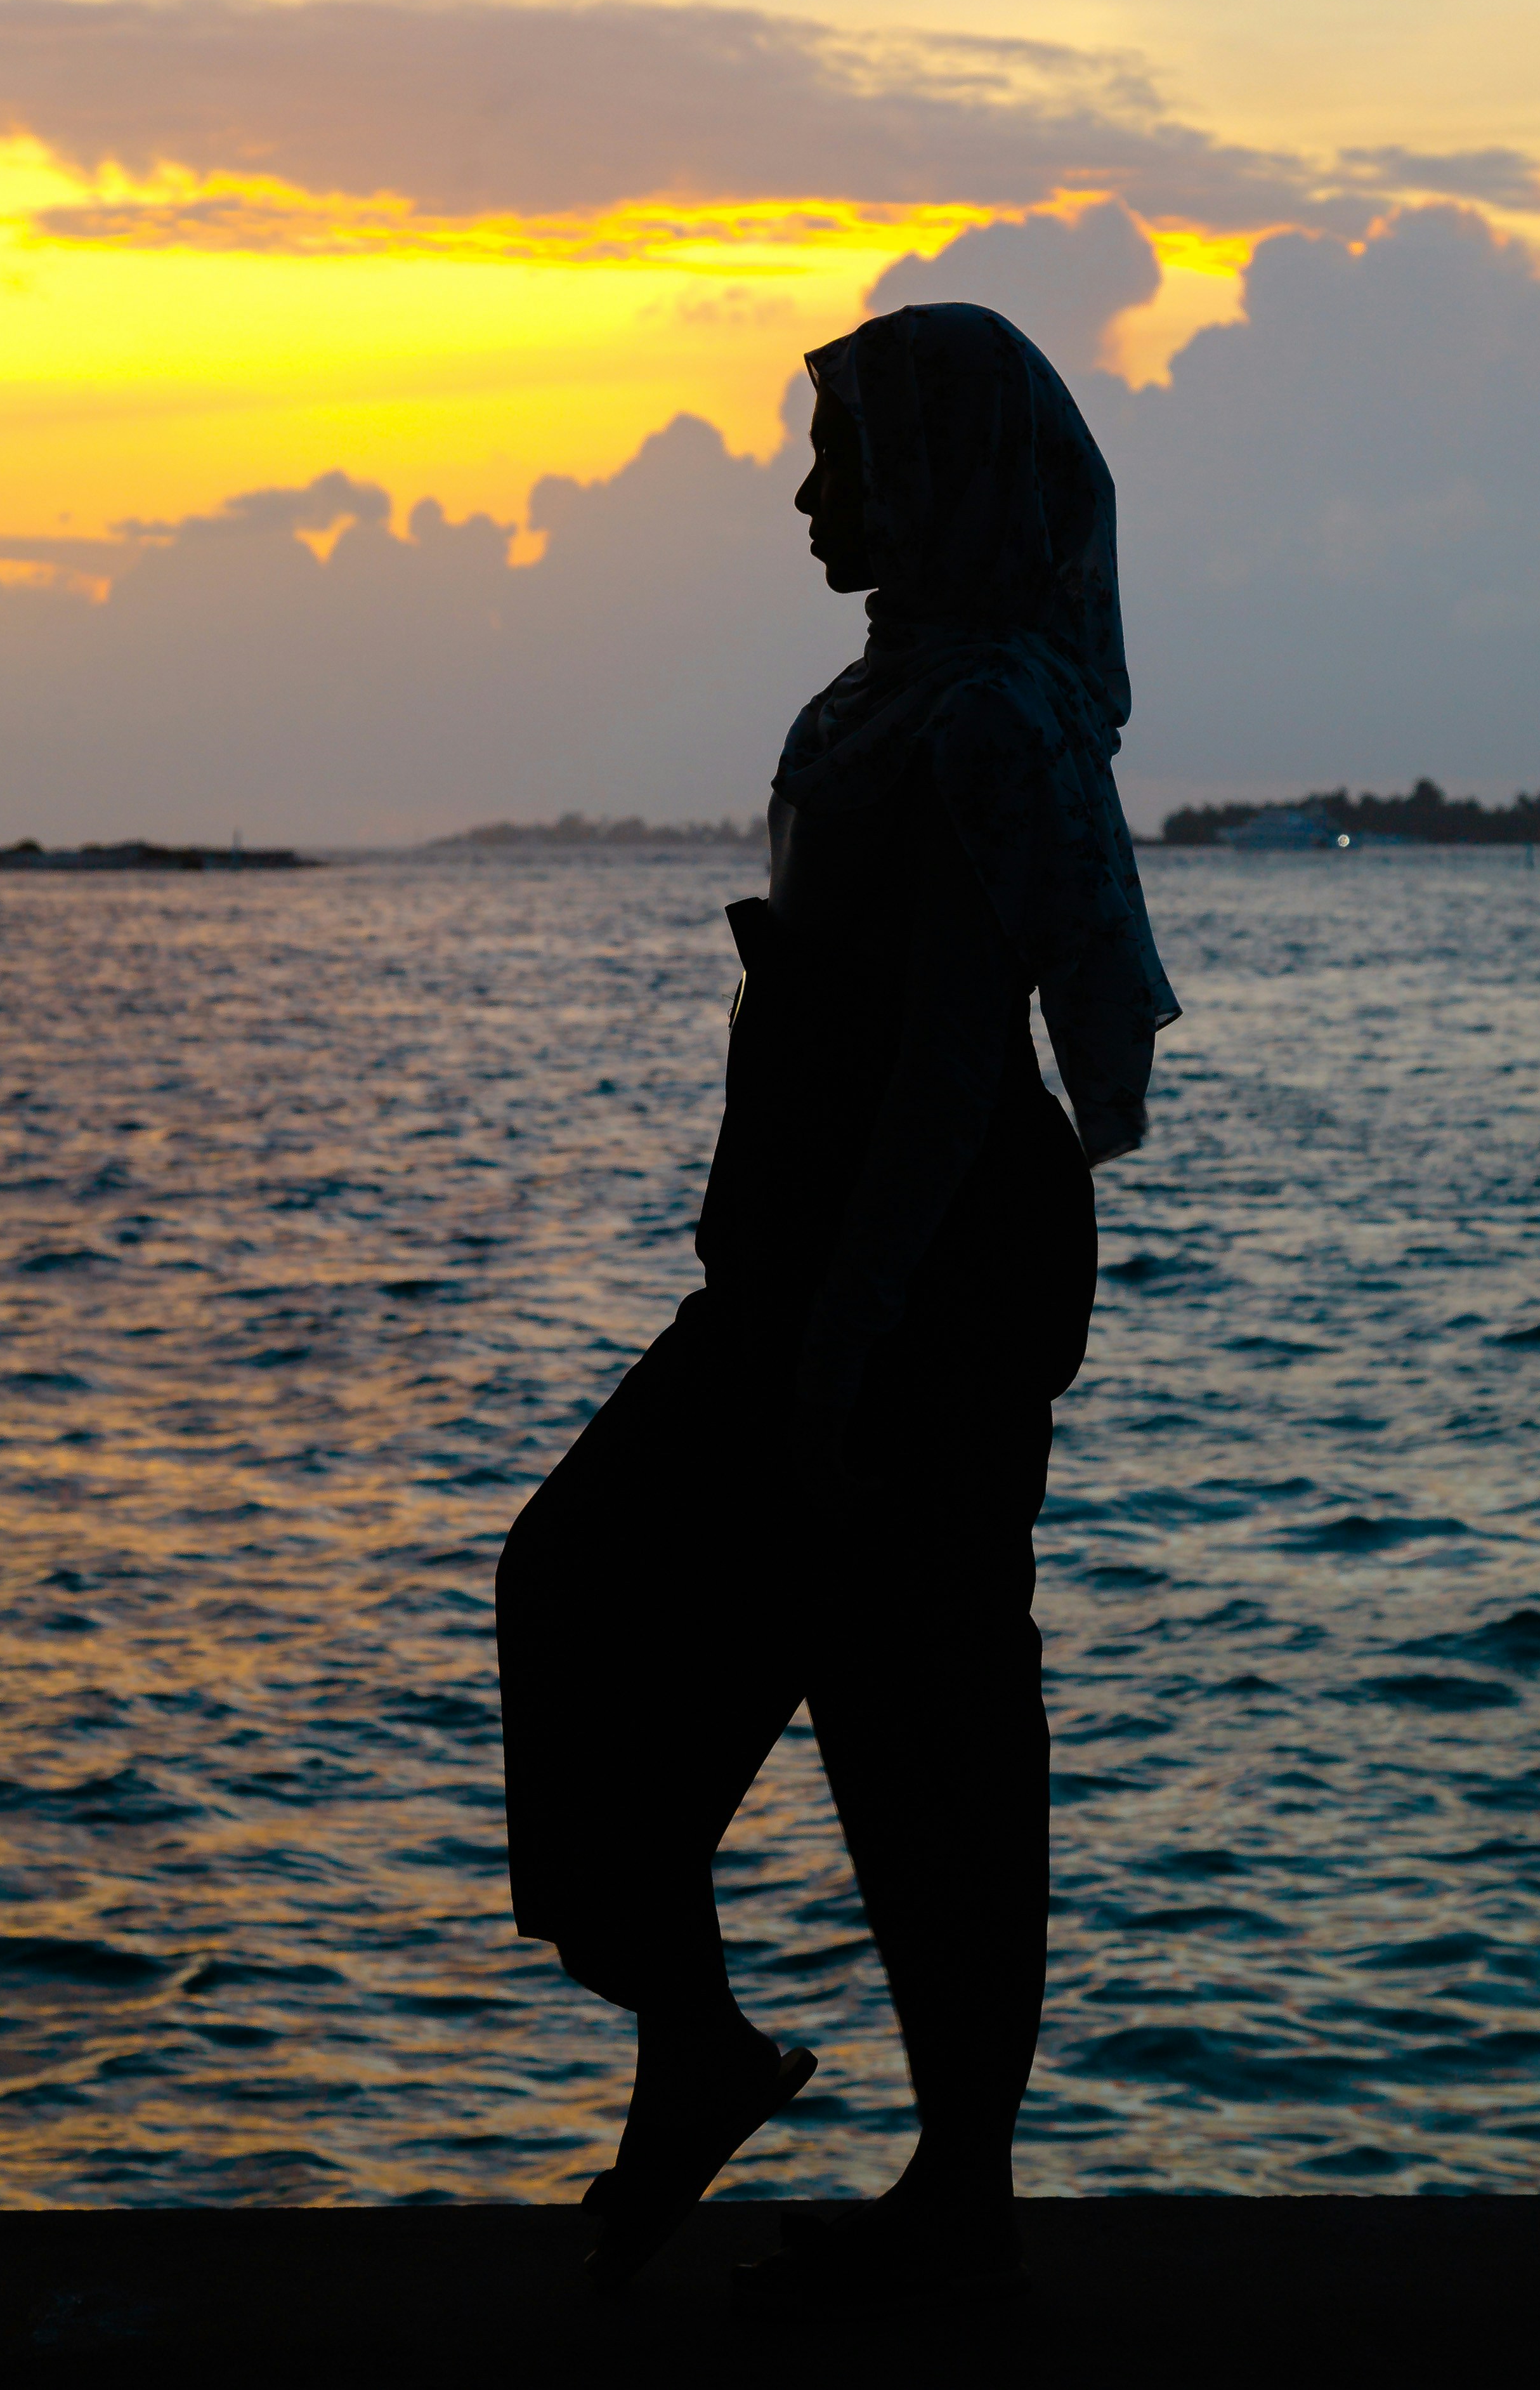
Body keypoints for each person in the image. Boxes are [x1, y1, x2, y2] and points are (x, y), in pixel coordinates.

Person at [495, 301, 1178, 2319]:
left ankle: (957, 2184)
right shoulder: (887, 698)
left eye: (843, 460)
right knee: (586, 1592)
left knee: (921, 1716)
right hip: (818, 1261)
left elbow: (957, 1054)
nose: (808, 495)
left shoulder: (986, 721)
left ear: (940, 478)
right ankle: (697, 2038)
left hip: (925, 1267)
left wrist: (843, 1330)